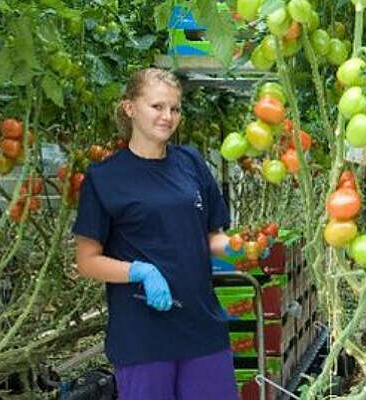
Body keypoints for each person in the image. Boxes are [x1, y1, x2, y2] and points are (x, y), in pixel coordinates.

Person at [73, 67, 239, 399]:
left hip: (201, 326)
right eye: (157, 106)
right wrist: (139, 271)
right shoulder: (105, 178)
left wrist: (240, 247)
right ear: (129, 108)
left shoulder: (190, 163)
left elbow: (210, 237)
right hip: (143, 336)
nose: (167, 116)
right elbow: (87, 261)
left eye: (174, 109)